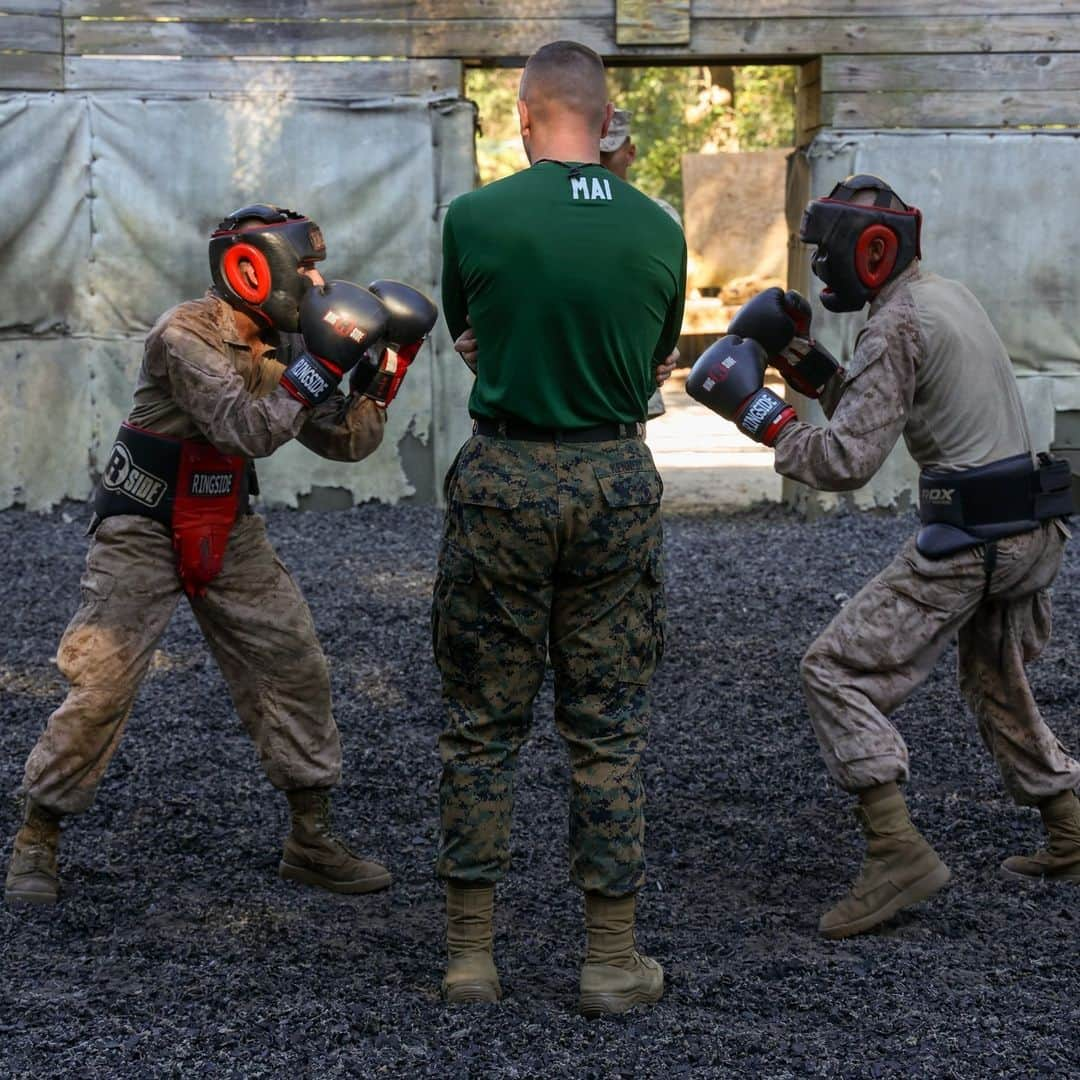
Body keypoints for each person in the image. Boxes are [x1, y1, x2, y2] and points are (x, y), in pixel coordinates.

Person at [5, 203, 436, 907]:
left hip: (226, 521)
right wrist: (322, 363)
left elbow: (345, 443)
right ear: (251, 268)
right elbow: (244, 427)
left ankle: (310, 837)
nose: (318, 279)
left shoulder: (288, 342)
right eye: (305, 265)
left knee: (292, 661)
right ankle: (37, 838)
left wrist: (383, 373)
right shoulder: (185, 334)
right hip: (142, 522)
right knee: (102, 681)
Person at [686, 174, 1078, 939]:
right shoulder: (941, 297)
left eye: (825, 255)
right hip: (1030, 527)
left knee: (834, 670)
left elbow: (844, 461)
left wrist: (756, 412)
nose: (821, 270)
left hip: (976, 540)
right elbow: (876, 404)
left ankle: (895, 850)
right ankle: (1070, 827)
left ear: (866, 250)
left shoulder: (895, 325)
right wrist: (797, 356)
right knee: (994, 672)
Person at [434, 41, 686, 1015]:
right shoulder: (658, 229)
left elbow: (470, 334)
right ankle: (610, 960)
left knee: (482, 721)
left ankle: (470, 959)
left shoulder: (475, 217)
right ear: (609, 115)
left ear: (526, 114)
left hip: (503, 478)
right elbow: (654, 357)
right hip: (615, 479)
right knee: (607, 724)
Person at [600, 108, 681, 419]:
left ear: (630, 153)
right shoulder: (565, 212)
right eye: (595, 154)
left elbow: (666, 298)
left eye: (609, 154)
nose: (601, 163)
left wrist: (665, 347)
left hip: (634, 375)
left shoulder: (657, 217)